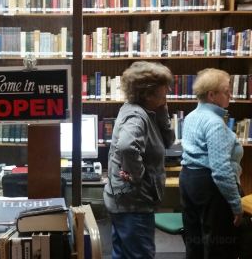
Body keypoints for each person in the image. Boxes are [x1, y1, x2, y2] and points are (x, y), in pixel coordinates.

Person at [103, 61, 175, 259]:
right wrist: (137, 175)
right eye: (164, 87)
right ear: (148, 93)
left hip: (127, 201)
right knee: (140, 255)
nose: (168, 89)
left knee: (124, 254)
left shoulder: (149, 112)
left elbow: (169, 141)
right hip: (133, 202)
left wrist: (162, 111)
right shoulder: (137, 115)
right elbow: (127, 145)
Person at [179, 68, 243, 259]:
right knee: (219, 245)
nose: (230, 95)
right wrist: (236, 205)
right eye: (226, 91)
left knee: (194, 240)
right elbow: (221, 169)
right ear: (212, 95)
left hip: (188, 179)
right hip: (210, 186)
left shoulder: (190, 117)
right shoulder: (214, 123)